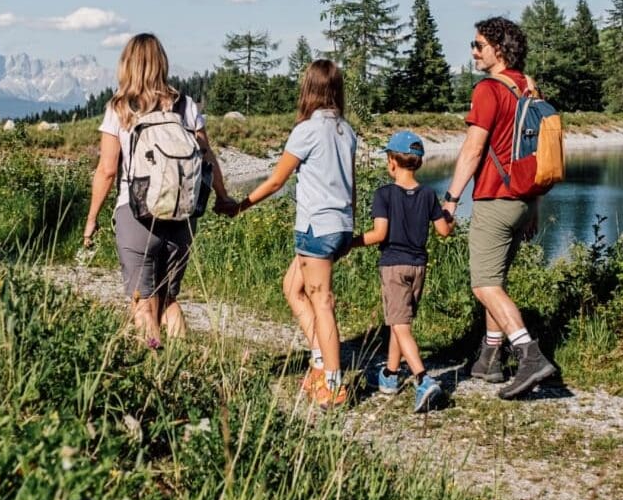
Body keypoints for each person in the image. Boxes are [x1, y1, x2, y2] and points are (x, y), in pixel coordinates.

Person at [83, 33, 235, 348]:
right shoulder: (185, 105)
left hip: (136, 214)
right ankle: (183, 366)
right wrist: (222, 196)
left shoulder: (119, 107)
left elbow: (108, 169)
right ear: (161, 63)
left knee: (143, 301)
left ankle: (153, 372)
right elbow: (207, 157)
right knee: (168, 299)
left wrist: (92, 218)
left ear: (127, 64)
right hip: (183, 214)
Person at [439, 17, 560, 399]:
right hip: (523, 199)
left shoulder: (489, 90)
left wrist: (452, 199)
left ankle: (529, 356)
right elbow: (535, 150)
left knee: (484, 284)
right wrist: (535, 206)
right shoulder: (528, 86)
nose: (473, 52)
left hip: (495, 199)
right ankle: (489, 359)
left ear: (499, 49)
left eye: (478, 45)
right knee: (497, 280)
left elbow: (474, 149)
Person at [236, 60, 358, 407]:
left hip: (315, 227)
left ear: (309, 90)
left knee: (322, 301)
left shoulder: (306, 130)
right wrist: (348, 225)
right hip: (339, 224)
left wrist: (239, 205)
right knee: (292, 287)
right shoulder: (345, 131)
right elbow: (353, 184)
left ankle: (332, 383)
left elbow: (277, 180)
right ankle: (320, 361)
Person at [353, 129, 453, 413]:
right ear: (418, 162)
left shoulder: (384, 194)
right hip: (419, 266)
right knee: (401, 321)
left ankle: (423, 380)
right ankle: (390, 375)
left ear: (391, 162)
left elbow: (379, 233)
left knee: (399, 324)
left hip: (394, 265)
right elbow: (444, 231)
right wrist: (449, 215)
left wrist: (351, 242)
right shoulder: (428, 194)